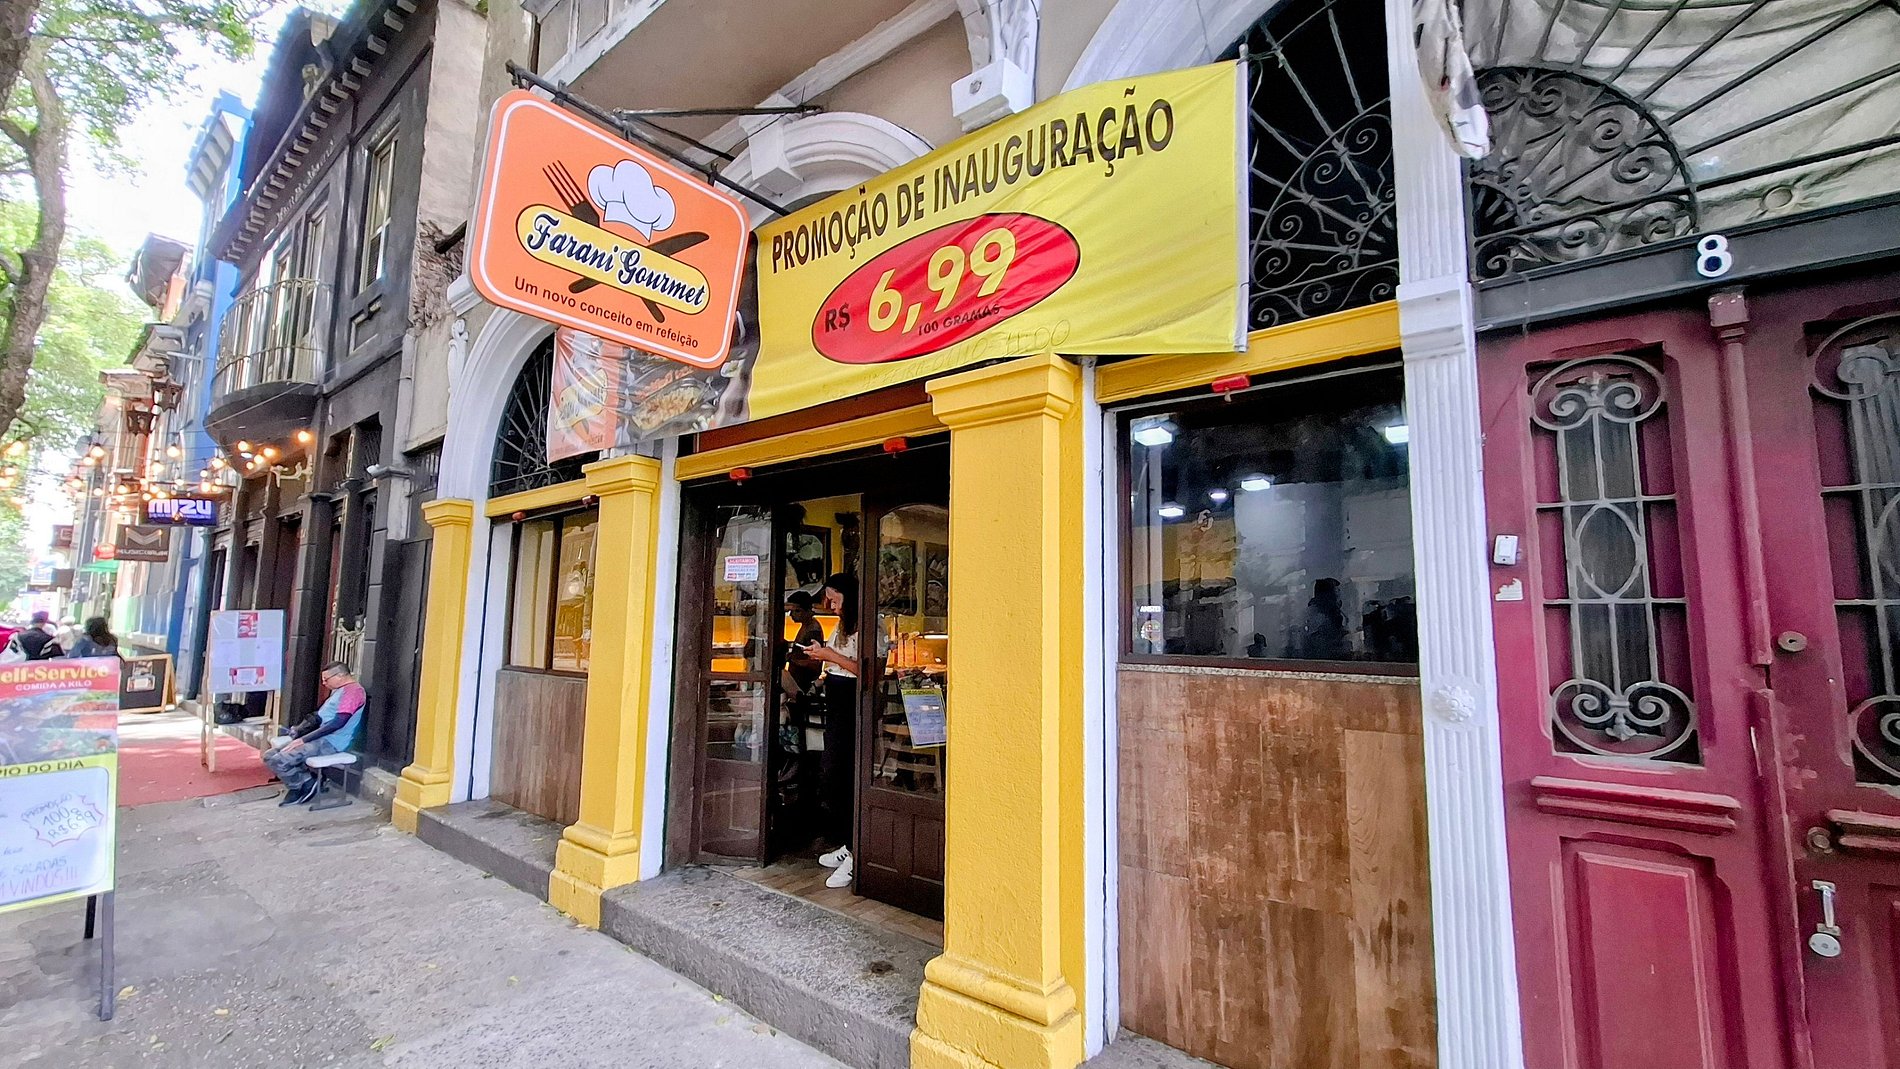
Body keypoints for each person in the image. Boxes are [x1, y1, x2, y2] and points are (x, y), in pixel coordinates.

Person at [799, 573, 861, 888]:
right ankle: (848, 844)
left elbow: (866, 669)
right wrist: (821, 660)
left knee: (843, 774)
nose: (830, 605)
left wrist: (829, 655)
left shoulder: (868, 627)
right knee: (832, 774)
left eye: (834, 599)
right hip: (836, 701)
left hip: (852, 705)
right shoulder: (841, 627)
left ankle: (856, 853)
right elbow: (837, 663)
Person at [265, 661, 365, 807]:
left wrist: (304, 739)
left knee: (280, 759)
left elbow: (338, 723)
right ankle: (308, 780)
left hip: (331, 741)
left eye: (326, 679)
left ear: (340, 676)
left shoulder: (353, 692)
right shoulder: (339, 690)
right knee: (269, 756)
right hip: (320, 737)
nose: (324, 683)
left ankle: (301, 786)